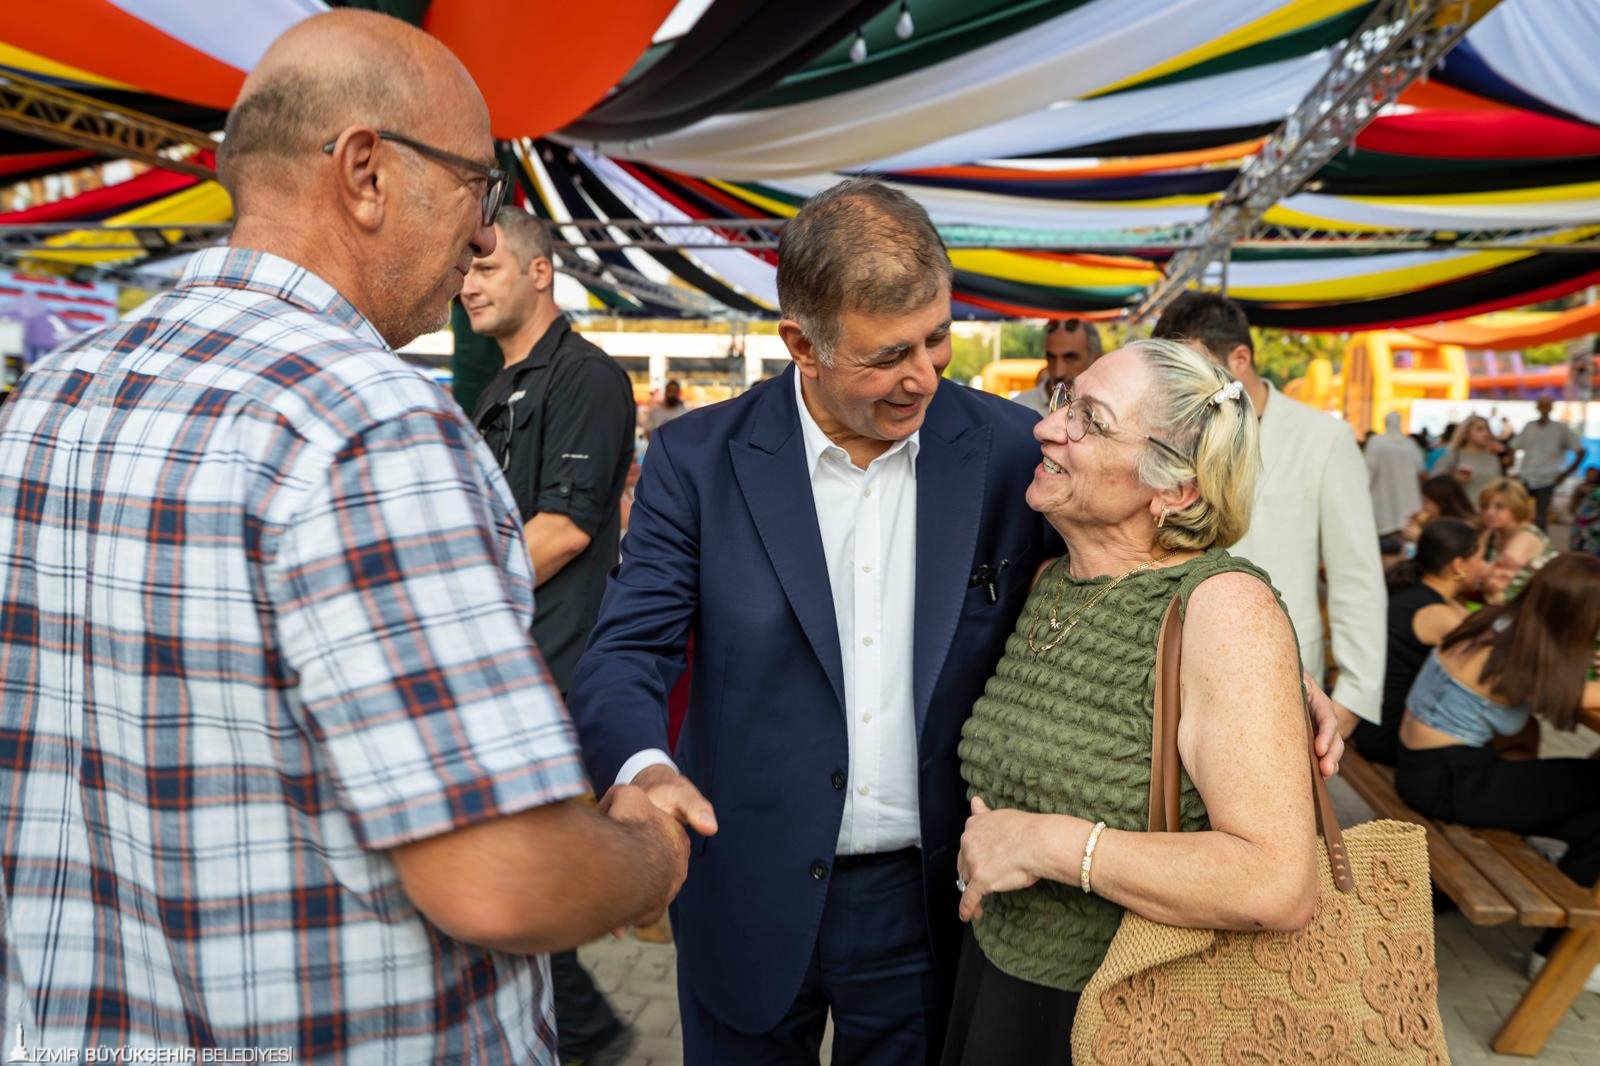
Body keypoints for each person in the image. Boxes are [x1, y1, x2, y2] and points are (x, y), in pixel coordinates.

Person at [0, 12, 687, 1060]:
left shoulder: (50, 396)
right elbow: (504, 878)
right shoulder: (370, 421)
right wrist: (646, 849)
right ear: (365, 172)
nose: (484, 237)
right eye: (479, 189)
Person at [567, 180, 1344, 1066]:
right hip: (745, 887)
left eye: (937, 338)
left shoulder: (1014, 448)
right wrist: (643, 767)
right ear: (803, 346)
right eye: (888, 354)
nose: (925, 375)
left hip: (936, 904)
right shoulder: (697, 459)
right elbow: (626, 651)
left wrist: (1265, 684)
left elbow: (1140, 573)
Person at [943, 339, 1319, 1064]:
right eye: (1064, 400)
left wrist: (1048, 844)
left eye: (1091, 419)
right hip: (1000, 979)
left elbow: (1277, 884)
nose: (1048, 427)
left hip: (1129, 1008)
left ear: (1175, 490)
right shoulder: (1053, 581)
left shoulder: (1224, 609)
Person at [460, 208, 638, 1065]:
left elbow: (564, 529)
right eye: (465, 271)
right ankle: (581, 1030)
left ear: (540, 273)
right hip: (512, 664)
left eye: (486, 268)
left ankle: (587, 1033)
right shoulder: (500, 384)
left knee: (516, 866)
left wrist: (456, 603)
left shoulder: (586, 378)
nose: (467, 284)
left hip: (554, 671)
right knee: (511, 868)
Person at [1153, 291, 1386, 735]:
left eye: (1193, 368)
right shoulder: (1171, 434)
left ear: (1240, 359)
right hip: (1174, 671)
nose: (1182, 384)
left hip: (1284, 674)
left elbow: (1356, 575)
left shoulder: (1323, 439)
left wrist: (1353, 699)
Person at [1394, 552, 1600, 986]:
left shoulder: (1500, 625)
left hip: (1426, 768)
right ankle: (1556, 952)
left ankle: (1562, 922)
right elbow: (1580, 696)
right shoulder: (1515, 660)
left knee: (1591, 816)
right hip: (1449, 782)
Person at [1352, 518, 1486, 766]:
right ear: (1458, 565)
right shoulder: (1439, 616)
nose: (1484, 567)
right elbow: (1493, 659)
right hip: (1388, 734)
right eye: (1480, 558)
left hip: (1368, 719)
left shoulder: (1411, 588)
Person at [1512, 398, 1585, 530]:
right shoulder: (1529, 426)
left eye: (1547, 406)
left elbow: (1580, 451)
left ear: (1551, 408)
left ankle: (1539, 541)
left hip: (1547, 479)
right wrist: (1512, 469)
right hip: (1526, 477)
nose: (1544, 409)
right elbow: (1514, 446)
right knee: (1518, 513)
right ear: (1537, 408)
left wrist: (1565, 474)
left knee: (1541, 517)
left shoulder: (1560, 428)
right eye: (1542, 405)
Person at [1479, 478, 1554, 604]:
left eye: (1499, 507)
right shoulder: (1495, 532)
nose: (1490, 512)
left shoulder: (1525, 538)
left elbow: (1498, 591)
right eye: (1485, 506)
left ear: (1516, 507)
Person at [1013, 318, 1103, 417]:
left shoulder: (1107, 411)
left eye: (1070, 358)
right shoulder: (1018, 410)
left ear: (1096, 360)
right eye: (1051, 357)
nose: (1058, 373)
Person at [1366, 410, 1425, 557]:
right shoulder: (1410, 444)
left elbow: (1369, 470)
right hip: (1407, 502)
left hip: (1384, 501)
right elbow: (1420, 468)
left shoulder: (1376, 442)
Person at [1431, 415, 1505, 502]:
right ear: (1466, 433)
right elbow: (1433, 483)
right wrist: (1454, 480)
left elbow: (1499, 487)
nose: (1486, 433)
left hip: (1488, 509)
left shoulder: (1493, 459)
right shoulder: (1453, 455)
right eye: (1480, 429)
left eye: (1488, 429)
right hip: (1460, 508)